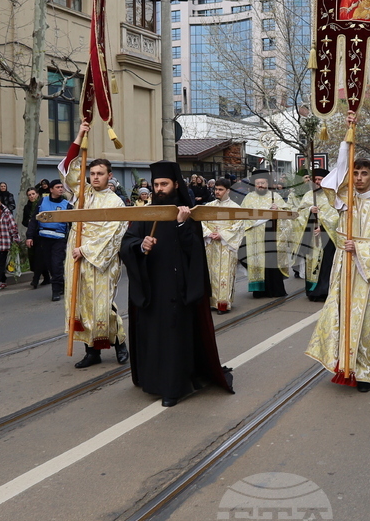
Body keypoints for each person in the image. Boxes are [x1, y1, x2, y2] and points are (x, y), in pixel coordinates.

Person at [120, 160, 234, 407]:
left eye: (164, 184)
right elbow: (127, 243)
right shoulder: (144, 214)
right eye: (156, 184)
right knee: (152, 335)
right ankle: (152, 382)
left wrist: (183, 224)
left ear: (175, 185)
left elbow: (195, 251)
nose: (159, 189)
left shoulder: (189, 213)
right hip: (151, 288)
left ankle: (174, 387)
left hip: (176, 289)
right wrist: (140, 246)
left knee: (173, 337)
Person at [305, 115, 370, 392]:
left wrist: (362, 247)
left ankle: (365, 371)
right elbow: (335, 188)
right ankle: (343, 364)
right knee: (340, 315)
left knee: (367, 322)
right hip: (344, 267)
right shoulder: (345, 201)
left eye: (364, 174)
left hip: (367, 272)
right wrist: (348, 135)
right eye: (355, 173)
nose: (358, 178)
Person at [60, 121, 129, 368]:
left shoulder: (116, 203)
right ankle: (91, 352)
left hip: (100, 261)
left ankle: (120, 342)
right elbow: (68, 168)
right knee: (81, 304)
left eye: (100, 173)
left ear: (110, 176)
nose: (95, 177)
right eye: (93, 173)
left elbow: (113, 236)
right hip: (76, 257)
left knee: (101, 305)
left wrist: (86, 250)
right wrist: (79, 135)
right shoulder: (83, 194)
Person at [241, 170, 292, 298]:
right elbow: (242, 216)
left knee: (271, 263)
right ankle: (259, 290)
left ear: (267, 183)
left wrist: (278, 210)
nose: (260, 185)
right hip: (255, 236)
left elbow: (287, 213)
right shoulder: (249, 198)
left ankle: (275, 290)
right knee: (256, 263)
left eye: (263, 183)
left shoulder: (275, 197)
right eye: (258, 183)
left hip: (271, 235)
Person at [201, 178, 246, 314]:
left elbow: (239, 226)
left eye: (220, 190)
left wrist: (222, 234)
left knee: (224, 275)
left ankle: (222, 304)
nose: (217, 192)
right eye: (216, 189)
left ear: (228, 191)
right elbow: (201, 221)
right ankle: (210, 302)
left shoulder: (235, 208)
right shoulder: (208, 206)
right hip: (211, 245)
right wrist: (209, 233)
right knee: (210, 274)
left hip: (226, 245)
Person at [27, 179, 72, 300]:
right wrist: (29, 236)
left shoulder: (66, 205)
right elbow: (34, 220)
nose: (60, 189)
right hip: (44, 239)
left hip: (59, 239)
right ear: (51, 189)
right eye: (57, 187)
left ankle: (56, 291)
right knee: (49, 265)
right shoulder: (42, 201)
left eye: (61, 187)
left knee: (56, 264)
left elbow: (73, 224)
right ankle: (60, 284)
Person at [292, 169, 330, 300]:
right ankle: (312, 291)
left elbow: (336, 216)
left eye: (320, 179)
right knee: (311, 264)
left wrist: (324, 227)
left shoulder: (332, 195)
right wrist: (309, 210)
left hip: (326, 237)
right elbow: (298, 213)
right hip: (310, 237)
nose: (317, 182)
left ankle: (324, 291)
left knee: (325, 265)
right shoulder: (308, 195)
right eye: (315, 180)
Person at [20, 187, 44, 286]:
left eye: (33, 194)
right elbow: (24, 220)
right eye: (29, 195)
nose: (31, 196)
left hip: (41, 233)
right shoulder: (27, 207)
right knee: (33, 257)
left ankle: (36, 279)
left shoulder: (42, 204)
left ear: (37, 194)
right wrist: (29, 222)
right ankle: (45, 277)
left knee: (40, 257)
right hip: (31, 234)